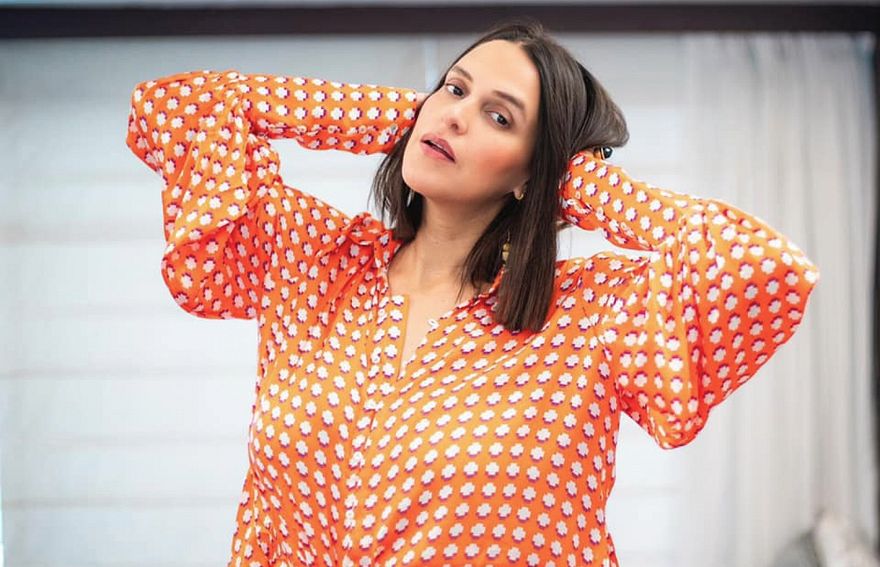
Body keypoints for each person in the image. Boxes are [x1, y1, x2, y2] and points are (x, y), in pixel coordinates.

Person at [125, 17, 820, 567]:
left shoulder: (591, 317)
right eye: (454, 89)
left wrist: (570, 180)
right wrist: (399, 119)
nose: (455, 116)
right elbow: (182, 107)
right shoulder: (313, 261)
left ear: (533, 170)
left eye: (500, 117)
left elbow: (764, 268)